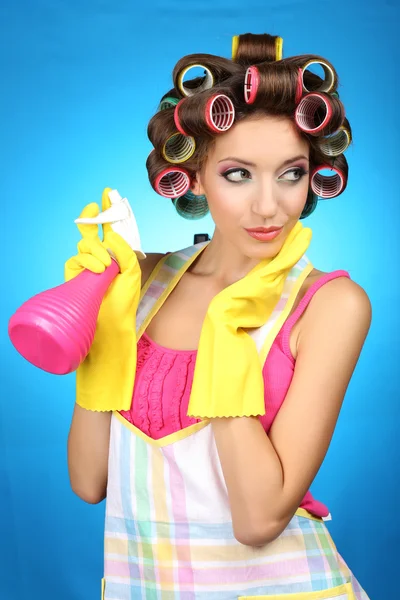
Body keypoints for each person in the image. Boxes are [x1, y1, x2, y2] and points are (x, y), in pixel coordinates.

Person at [66, 33, 372, 599]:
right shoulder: (144, 283)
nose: (267, 206)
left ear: (313, 177)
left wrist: (227, 332)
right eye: (238, 174)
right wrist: (103, 330)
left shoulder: (329, 306)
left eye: (290, 173)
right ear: (198, 175)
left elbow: (258, 521)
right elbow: (90, 481)